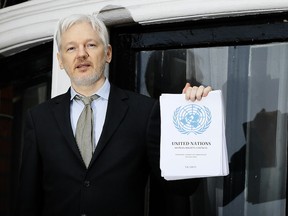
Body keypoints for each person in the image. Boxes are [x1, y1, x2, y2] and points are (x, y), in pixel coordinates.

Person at [15, 14, 212, 216]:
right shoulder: (39, 119)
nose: (81, 54)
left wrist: (192, 114)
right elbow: (27, 202)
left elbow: (181, 187)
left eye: (90, 45)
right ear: (60, 60)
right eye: (71, 48)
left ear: (108, 53)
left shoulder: (144, 112)